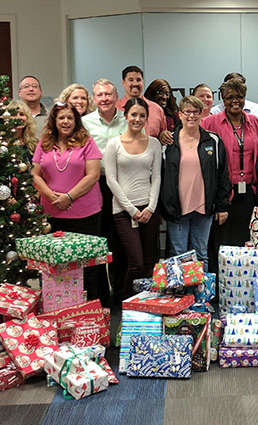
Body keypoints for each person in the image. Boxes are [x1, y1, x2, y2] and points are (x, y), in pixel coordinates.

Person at [31, 102, 103, 300]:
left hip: (85, 215)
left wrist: (68, 196)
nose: (65, 122)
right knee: (54, 266)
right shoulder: (44, 142)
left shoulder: (87, 142)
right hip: (52, 214)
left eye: (70, 118)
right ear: (54, 121)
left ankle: (88, 312)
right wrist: (51, 195)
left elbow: (93, 175)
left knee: (86, 268)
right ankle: (57, 309)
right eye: (61, 118)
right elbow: (35, 174)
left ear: (76, 121)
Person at [200, 78, 258, 271]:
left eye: (240, 97)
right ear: (223, 99)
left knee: (245, 240)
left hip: (249, 192)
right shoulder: (210, 123)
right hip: (224, 194)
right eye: (230, 97)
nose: (235, 101)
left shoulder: (256, 123)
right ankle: (222, 289)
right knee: (222, 243)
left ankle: (243, 286)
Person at [161, 96, 231, 269]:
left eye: (195, 112)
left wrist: (222, 206)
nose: (191, 116)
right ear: (180, 114)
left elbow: (223, 174)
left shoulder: (213, 141)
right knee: (178, 256)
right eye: (187, 112)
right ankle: (181, 296)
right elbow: (160, 177)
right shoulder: (168, 142)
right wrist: (165, 206)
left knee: (201, 255)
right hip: (177, 210)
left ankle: (201, 296)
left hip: (203, 209)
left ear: (201, 115)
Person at [103, 98, 162, 299]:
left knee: (148, 262)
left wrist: (151, 207)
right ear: (126, 116)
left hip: (149, 209)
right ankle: (126, 301)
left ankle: (146, 304)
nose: (138, 119)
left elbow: (156, 177)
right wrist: (132, 210)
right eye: (134, 114)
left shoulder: (154, 144)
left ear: (147, 118)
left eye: (142, 115)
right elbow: (111, 180)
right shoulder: (114, 144)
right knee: (135, 262)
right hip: (123, 210)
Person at [83, 78, 129, 303]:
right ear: (94, 98)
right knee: (98, 241)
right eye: (100, 95)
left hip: (122, 185)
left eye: (108, 94)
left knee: (120, 241)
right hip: (96, 185)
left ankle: (120, 295)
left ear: (116, 96)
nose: (104, 98)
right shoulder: (85, 122)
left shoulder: (127, 119)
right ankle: (100, 297)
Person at [114, 65, 169, 142]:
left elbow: (162, 133)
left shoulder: (156, 109)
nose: (135, 83)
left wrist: (163, 135)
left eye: (138, 80)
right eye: (131, 80)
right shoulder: (114, 109)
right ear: (123, 83)